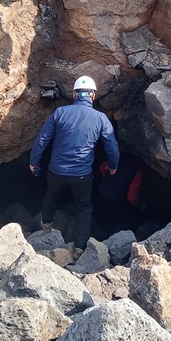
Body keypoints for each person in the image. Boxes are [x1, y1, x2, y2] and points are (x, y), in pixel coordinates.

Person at [30, 75, 119, 258]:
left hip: (56, 171)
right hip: (81, 175)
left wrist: (34, 161)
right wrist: (113, 165)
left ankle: (46, 226)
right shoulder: (100, 118)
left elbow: (43, 139)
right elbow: (111, 145)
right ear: (93, 96)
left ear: (74, 94)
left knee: (51, 196)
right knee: (84, 208)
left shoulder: (60, 112)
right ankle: (79, 248)